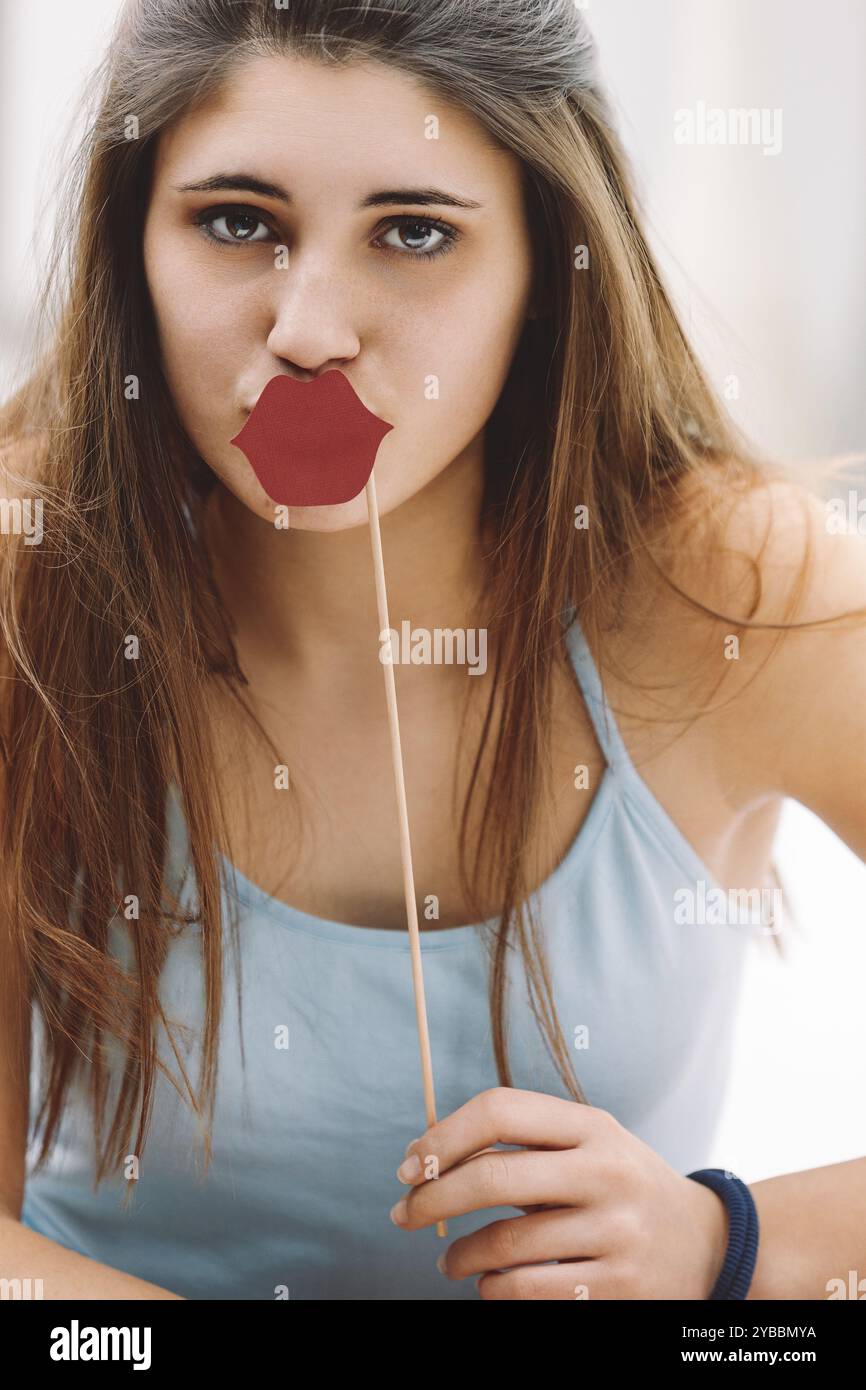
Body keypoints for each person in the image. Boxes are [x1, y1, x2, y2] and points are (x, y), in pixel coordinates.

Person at [1, 0, 864, 1301]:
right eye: (238, 221)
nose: (308, 330)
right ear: (131, 246)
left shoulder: (730, 589)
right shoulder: (27, 581)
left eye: (413, 233)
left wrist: (726, 1243)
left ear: (544, 268)